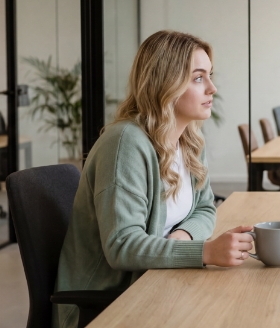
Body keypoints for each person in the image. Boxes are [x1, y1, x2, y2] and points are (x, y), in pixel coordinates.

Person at [55, 31, 253, 328]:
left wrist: (182, 239)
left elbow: (206, 209)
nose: (212, 88)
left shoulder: (190, 141)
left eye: (210, 76)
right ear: (166, 83)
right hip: (110, 303)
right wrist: (205, 251)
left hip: (159, 281)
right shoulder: (125, 143)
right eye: (198, 78)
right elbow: (122, 246)